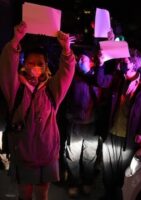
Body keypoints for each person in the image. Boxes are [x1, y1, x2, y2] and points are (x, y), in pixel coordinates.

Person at [0, 21, 75, 200]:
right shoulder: (16, 88)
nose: (35, 66)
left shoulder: (51, 89)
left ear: (46, 65)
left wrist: (66, 50)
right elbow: (7, 67)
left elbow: (66, 73)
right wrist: (15, 41)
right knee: (25, 195)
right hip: (23, 153)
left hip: (47, 154)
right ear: (24, 64)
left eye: (39, 63)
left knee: (43, 195)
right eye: (31, 62)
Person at [100, 49, 141, 200]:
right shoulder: (118, 79)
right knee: (108, 168)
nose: (122, 63)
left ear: (134, 64)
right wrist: (100, 64)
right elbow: (100, 81)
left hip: (128, 134)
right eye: (121, 60)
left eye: (125, 61)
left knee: (122, 170)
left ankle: (119, 196)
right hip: (112, 131)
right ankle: (108, 195)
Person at [60, 51, 101, 197]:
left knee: (90, 156)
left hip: (91, 124)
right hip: (75, 123)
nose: (80, 61)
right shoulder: (73, 77)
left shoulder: (97, 78)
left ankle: (87, 182)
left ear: (90, 62)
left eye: (83, 59)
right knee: (72, 156)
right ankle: (74, 183)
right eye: (79, 59)